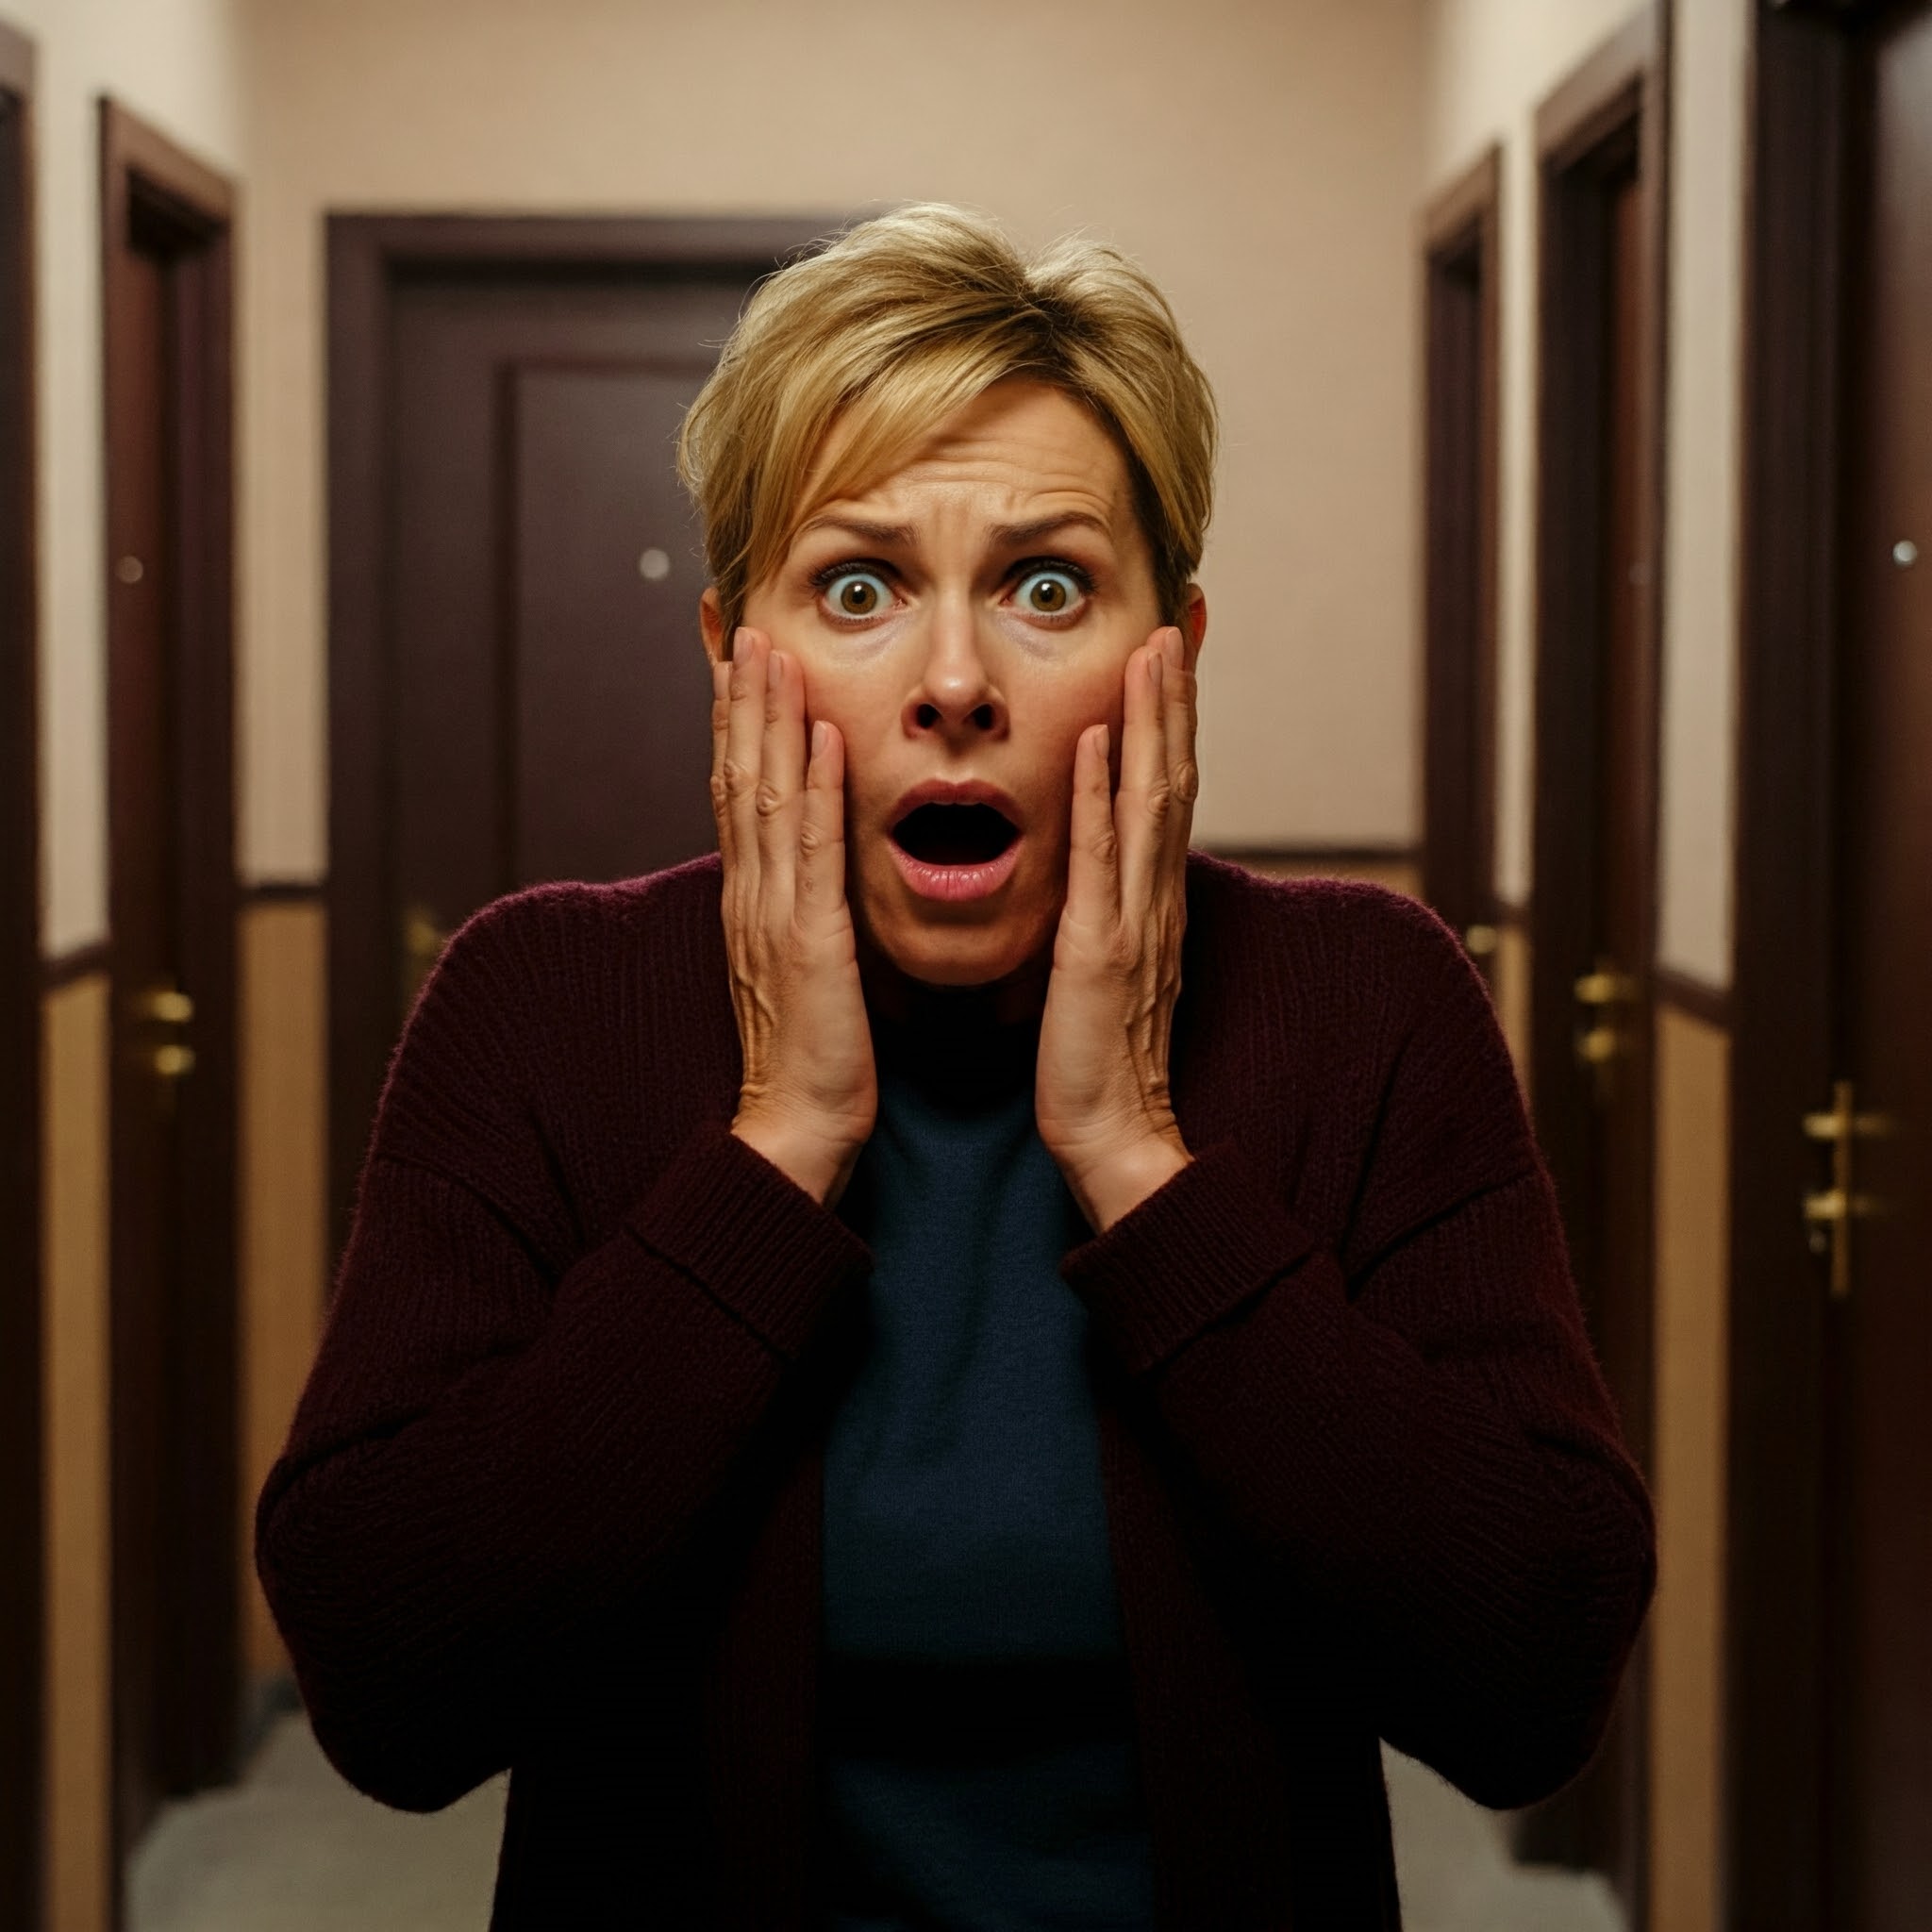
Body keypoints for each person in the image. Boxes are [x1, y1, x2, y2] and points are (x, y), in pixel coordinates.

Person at [255, 203, 1655, 1931]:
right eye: (859, 587)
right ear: (729, 657)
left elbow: (1533, 1679)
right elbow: (393, 1688)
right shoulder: (543, 1000)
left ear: (1178, 655)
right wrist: (777, 1148)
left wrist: (1139, 1160)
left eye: (1046, 586)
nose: (954, 683)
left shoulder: (1362, 1001)